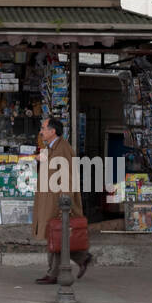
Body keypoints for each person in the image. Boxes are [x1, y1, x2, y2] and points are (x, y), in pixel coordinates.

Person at [32, 117, 93, 284]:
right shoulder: (50, 147)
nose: (41, 131)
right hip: (48, 198)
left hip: (57, 200)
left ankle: (54, 273)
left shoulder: (63, 149)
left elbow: (68, 178)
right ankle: (82, 258)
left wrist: (65, 203)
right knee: (54, 235)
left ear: (53, 131)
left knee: (56, 235)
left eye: (43, 128)